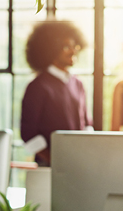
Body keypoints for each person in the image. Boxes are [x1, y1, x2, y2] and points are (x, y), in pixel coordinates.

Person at [21, 20, 92, 167]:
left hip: (78, 162)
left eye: (75, 46)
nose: (73, 51)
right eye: (66, 47)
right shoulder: (38, 86)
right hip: (49, 167)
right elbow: (28, 133)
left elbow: (86, 124)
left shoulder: (77, 84)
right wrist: (54, 160)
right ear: (50, 49)